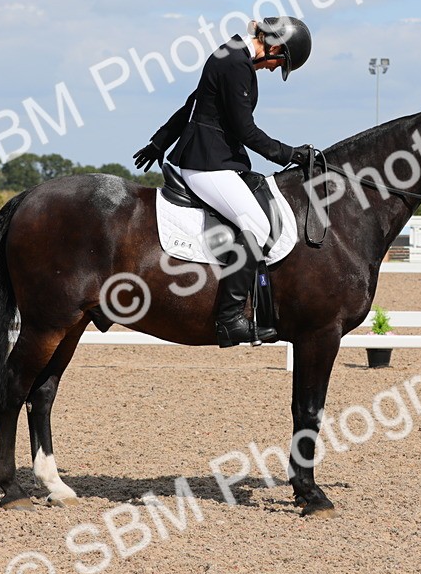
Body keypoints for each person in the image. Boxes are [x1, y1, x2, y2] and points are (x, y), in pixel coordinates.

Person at [133, 17, 313, 348]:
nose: (273, 70)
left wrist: (160, 142)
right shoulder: (235, 63)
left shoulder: (229, 55)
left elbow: (192, 105)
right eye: (280, 63)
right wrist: (292, 154)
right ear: (274, 46)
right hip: (207, 166)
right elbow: (246, 130)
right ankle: (230, 319)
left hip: (213, 161)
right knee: (258, 227)